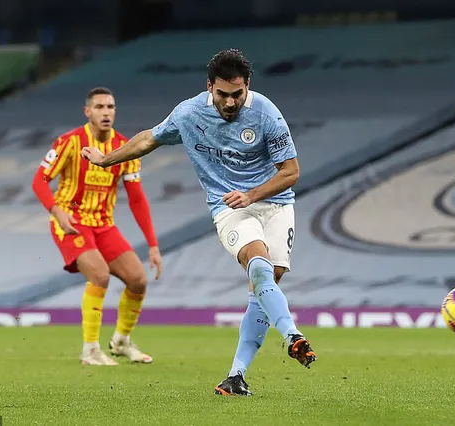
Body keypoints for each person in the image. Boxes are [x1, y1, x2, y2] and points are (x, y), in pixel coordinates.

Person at [81, 49, 316, 394]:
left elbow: (291, 172)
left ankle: (236, 376)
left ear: (247, 86)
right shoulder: (190, 113)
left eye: (237, 94)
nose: (231, 102)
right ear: (210, 87)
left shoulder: (266, 113)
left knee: (264, 286)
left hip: (275, 203)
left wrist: (252, 194)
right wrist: (105, 161)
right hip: (229, 207)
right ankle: (293, 334)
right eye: (223, 94)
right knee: (259, 265)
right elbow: (148, 138)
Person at [32, 87, 163, 366]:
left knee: (138, 280)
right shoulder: (68, 142)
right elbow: (39, 181)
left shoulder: (125, 147)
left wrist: (152, 244)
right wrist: (57, 212)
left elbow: (137, 199)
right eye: (100, 107)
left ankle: (121, 341)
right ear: (87, 112)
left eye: (110, 107)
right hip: (71, 223)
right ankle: (90, 349)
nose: (106, 112)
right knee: (100, 275)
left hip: (104, 225)